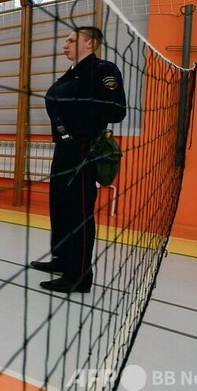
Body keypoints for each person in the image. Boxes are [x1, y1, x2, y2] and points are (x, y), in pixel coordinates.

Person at [31, 26, 127, 294]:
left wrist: (83, 113)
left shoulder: (102, 70)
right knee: (60, 206)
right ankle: (63, 260)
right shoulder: (71, 73)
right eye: (66, 40)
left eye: (72, 40)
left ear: (90, 43)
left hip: (85, 148)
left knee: (79, 212)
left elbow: (117, 111)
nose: (66, 44)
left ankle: (79, 276)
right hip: (64, 148)